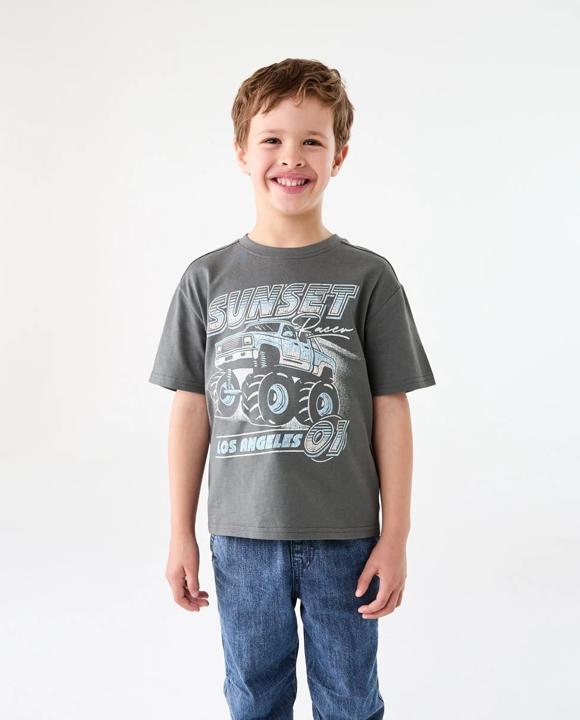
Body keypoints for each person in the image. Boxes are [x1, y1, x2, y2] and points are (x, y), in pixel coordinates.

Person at [148, 57, 436, 720]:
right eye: (272, 139)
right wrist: (180, 531)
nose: (291, 157)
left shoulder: (369, 277)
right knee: (253, 697)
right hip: (241, 535)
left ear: (339, 156)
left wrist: (396, 534)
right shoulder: (206, 278)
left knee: (349, 698)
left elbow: (390, 409)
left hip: (347, 536)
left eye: (312, 140)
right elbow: (191, 408)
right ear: (241, 151)